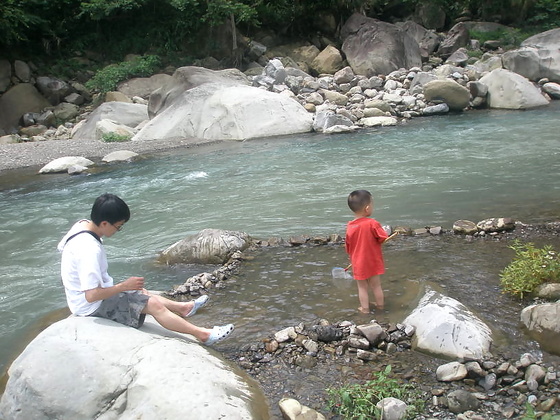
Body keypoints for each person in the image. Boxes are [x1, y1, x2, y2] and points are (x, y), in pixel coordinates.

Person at [57, 193, 234, 345]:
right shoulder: (89, 249)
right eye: (118, 227)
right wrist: (123, 287)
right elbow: (91, 295)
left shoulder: (82, 225)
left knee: (142, 292)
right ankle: (203, 335)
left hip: (82, 297)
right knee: (153, 304)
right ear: (104, 223)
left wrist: (125, 288)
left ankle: (184, 308)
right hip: (90, 307)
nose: (119, 230)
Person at [345, 189, 389, 314]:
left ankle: (365, 309)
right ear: (367, 208)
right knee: (376, 285)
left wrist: (352, 258)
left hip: (358, 262)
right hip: (372, 261)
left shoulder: (350, 226)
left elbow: (348, 246)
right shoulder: (372, 223)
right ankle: (380, 306)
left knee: (362, 287)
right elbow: (382, 237)